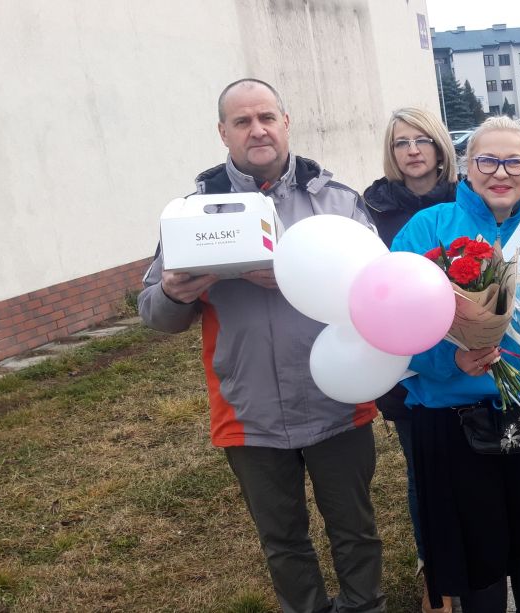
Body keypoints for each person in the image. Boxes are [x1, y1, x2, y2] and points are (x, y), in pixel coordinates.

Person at [138, 78, 384, 613]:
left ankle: (365, 606)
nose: (258, 130)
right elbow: (154, 312)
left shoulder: (336, 202)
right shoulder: (192, 214)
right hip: (249, 410)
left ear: (286, 123)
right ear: (222, 132)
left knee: (355, 530)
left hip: (336, 398)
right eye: (243, 121)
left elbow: (380, 292)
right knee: (283, 542)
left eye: (267, 117)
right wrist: (175, 293)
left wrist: (304, 275)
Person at [389, 116, 520, 613]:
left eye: (514, 162)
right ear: (466, 168)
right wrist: (450, 359)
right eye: (488, 161)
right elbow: (390, 326)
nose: (501, 172)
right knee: (479, 562)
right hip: (454, 425)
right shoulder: (427, 229)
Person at [361, 107, 458, 613]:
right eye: (402, 142)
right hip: (406, 365)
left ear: (441, 148)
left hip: (469, 361)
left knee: (472, 469)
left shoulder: (467, 200)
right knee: (424, 472)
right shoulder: (371, 211)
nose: (413, 150)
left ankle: (480, 563)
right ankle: (435, 574)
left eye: (423, 140)